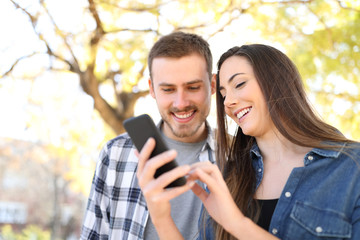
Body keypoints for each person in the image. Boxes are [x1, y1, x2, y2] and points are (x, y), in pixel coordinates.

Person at [143, 44, 360, 240]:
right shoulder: (231, 177)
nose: (228, 102)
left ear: (277, 82)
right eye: (223, 94)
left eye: (239, 83)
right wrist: (161, 217)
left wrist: (237, 224)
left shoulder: (352, 166)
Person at [80, 31, 216, 240]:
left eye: (193, 87)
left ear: (212, 85)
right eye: (168, 89)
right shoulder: (116, 153)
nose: (180, 103)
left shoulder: (242, 157)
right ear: (152, 89)